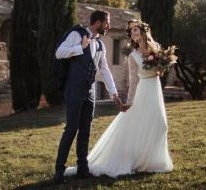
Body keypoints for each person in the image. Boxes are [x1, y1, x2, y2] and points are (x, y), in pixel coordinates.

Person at [64, 19, 173, 178]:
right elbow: (134, 80)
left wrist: (161, 65)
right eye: (132, 31)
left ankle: (154, 161)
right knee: (141, 126)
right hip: (143, 91)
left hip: (155, 90)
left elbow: (161, 72)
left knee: (160, 125)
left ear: (143, 32)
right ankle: (138, 160)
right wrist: (129, 101)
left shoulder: (156, 50)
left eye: (137, 29)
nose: (134, 33)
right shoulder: (133, 56)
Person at [54, 10, 123, 184]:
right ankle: (59, 172)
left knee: (85, 131)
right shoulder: (77, 34)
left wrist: (113, 93)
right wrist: (81, 48)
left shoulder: (100, 44)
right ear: (98, 22)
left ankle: (82, 170)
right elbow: (59, 52)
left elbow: (105, 70)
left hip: (90, 92)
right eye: (107, 22)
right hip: (74, 89)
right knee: (71, 130)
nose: (109, 25)